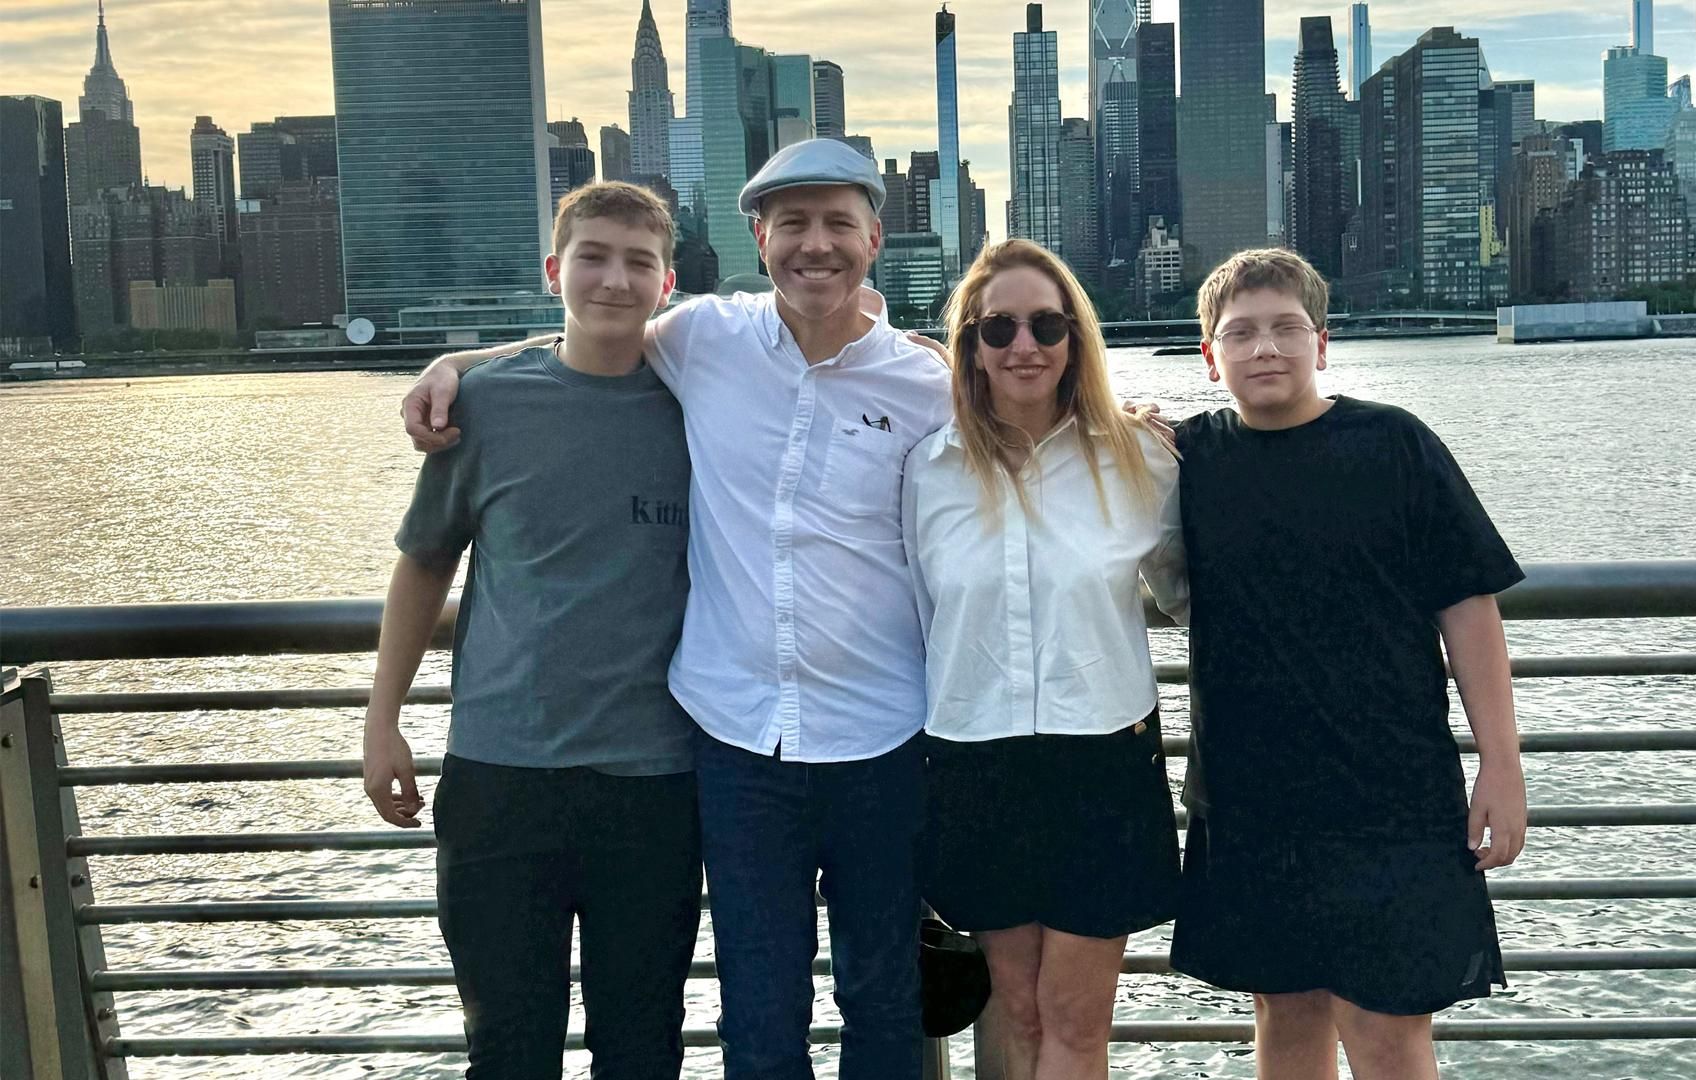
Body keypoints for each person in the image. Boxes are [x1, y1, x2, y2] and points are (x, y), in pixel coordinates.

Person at [401, 139, 950, 1079]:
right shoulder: (706, 338)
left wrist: (1137, 425)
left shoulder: (930, 385)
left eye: (836, 224)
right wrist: (457, 362)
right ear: (758, 237)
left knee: (885, 1004)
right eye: (792, 225)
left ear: (874, 237)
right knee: (758, 1014)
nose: (813, 245)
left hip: (882, 740)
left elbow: (1039, 413)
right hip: (735, 746)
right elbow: (595, 322)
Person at [361, 181, 700, 1078]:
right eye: (593, 257)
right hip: (500, 781)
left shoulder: (702, 404)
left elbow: (821, 335)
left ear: (669, 285)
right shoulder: (486, 407)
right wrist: (381, 718)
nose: (615, 280)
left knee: (641, 1051)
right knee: (507, 1049)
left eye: (639, 262)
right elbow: (425, 561)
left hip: (656, 786)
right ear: (555, 270)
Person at [1168, 247, 1528, 1080]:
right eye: (1242, 332)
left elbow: (1470, 608)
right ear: (1209, 355)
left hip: (1392, 794)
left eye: (1287, 328)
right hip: (1252, 797)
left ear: (1322, 344)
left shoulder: (1394, 445)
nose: (1265, 348)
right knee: (1285, 1022)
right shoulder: (1185, 460)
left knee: (1388, 1032)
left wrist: (1502, 765)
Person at [904, 238, 1187, 1080]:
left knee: (1073, 1018)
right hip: (971, 763)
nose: (1024, 345)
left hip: (1099, 763)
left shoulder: (1143, 459)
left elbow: (1199, 591)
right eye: (998, 328)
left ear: (1076, 339)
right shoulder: (924, 471)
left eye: (1046, 324)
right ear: (971, 347)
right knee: (1014, 1010)